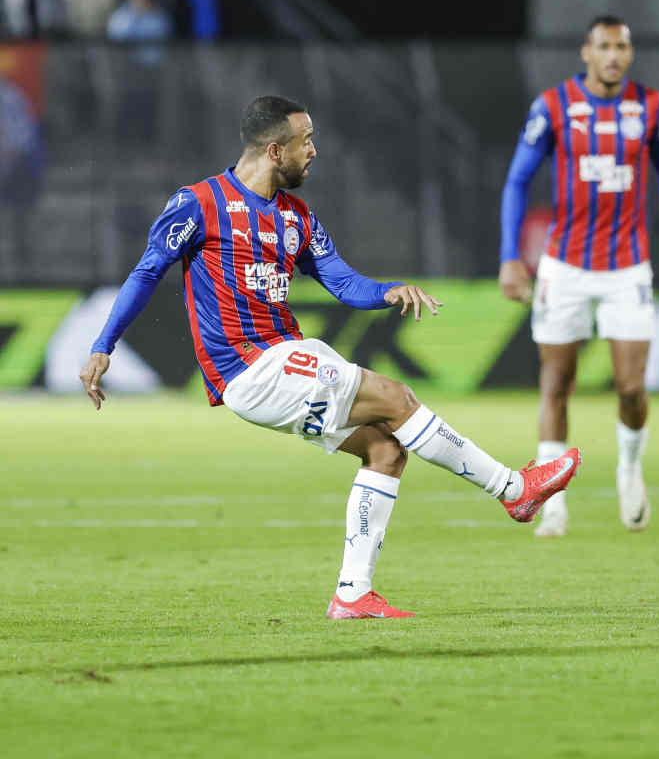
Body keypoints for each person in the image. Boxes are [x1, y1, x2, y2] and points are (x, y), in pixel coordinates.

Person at [80, 96, 581, 620]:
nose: (314, 151)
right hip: (250, 367)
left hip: (283, 361)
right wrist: (102, 346)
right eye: (306, 141)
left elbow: (342, 282)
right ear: (275, 150)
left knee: (387, 450)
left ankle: (352, 593)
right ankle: (514, 489)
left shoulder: (296, 217)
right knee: (396, 397)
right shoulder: (198, 203)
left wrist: (387, 291)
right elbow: (146, 272)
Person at [498, 14, 659, 538]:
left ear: (630, 54)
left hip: (627, 266)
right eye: (604, 46)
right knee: (556, 383)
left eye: (622, 47)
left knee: (632, 387)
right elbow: (517, 181)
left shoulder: (650, 107)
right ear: (586, 52)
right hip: (563, 266)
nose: (613, 55)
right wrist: (510, 255)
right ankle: (552, 497)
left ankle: (629, 468)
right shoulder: (554, 106)